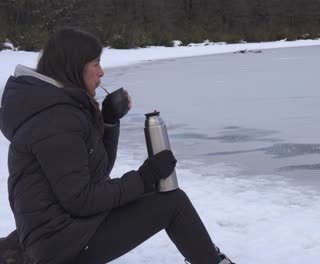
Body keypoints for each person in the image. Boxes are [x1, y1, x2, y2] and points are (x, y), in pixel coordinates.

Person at [0, 27, 235, 264]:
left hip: (63, 231)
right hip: (59, 245)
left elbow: (96, 175)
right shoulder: (56, 119)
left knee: (161, 195)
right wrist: (145, 177)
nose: (101, 72)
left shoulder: (56, 108)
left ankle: (206, 254)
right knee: (172, 203)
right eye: (96, 64)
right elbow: (82, 199)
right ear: (74, 66)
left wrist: (109, 121)